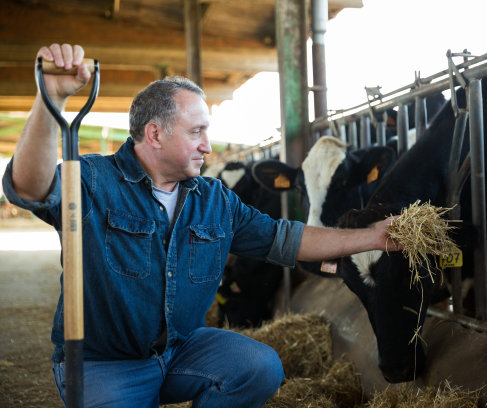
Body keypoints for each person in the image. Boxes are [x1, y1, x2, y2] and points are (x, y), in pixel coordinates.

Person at [2, 43, 401, 408]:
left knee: (258, 366)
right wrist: (50, 100)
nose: (208, 146)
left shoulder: (213, 199)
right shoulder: (92, 180)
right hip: (105, 365)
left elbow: (286, 239)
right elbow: (30, 188)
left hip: (180, 351)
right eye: (196, 132)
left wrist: (372, 237)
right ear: (154, 134)